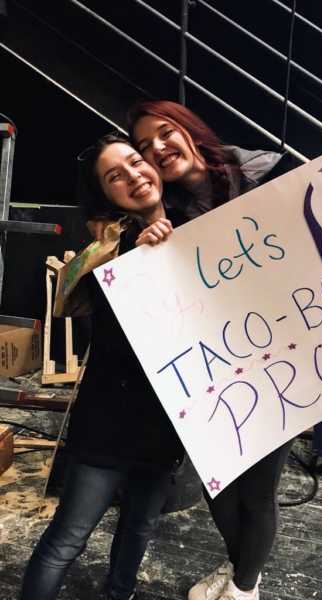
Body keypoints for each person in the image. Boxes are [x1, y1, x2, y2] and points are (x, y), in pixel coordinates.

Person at [125, 100, 322, 600]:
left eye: (165, 133)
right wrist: (149, 242)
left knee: (258, 491)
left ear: (189, 130)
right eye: (146, 146)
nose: (158, 148)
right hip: (218, 368)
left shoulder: (265, 170)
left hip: (282, 360)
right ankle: (243, 570)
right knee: (218, 487)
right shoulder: (165, 213)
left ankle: (243, 590)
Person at [20, 133, 184, 600]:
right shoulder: (110, 249)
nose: (133, 175)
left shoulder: (201, 228)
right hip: (108, 422)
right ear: (107, 195)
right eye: (116, 176)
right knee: (67, 538)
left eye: (136, 162)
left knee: (138, 531)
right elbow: (113, 336)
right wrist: (139, 253)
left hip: (168, 423)